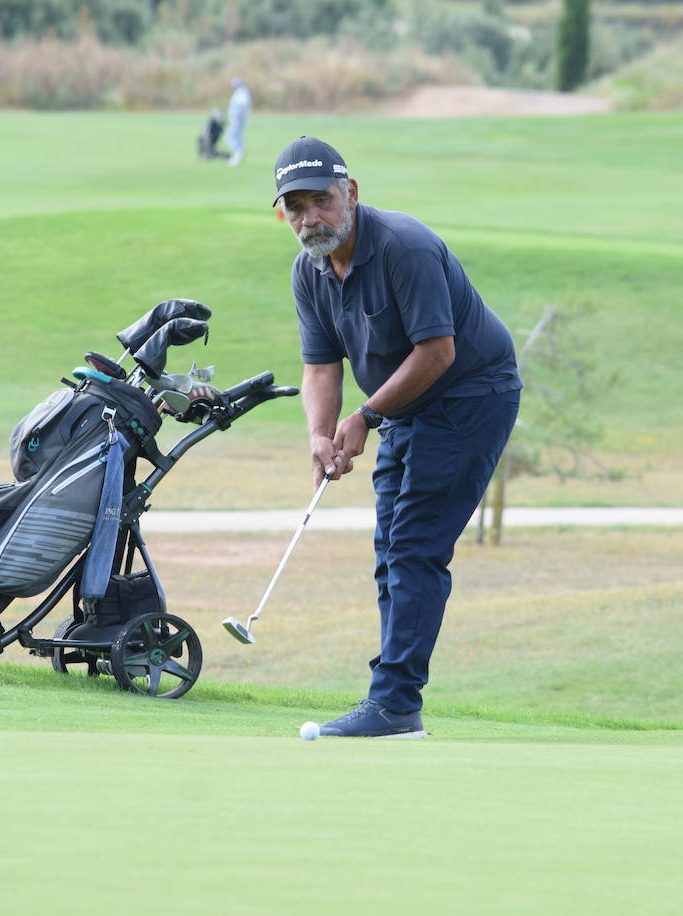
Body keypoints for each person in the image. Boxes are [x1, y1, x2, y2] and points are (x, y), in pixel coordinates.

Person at [272, 136, 521, 738]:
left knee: (414, 547)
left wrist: (364, 420)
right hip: (408, 406)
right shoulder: (310, 271)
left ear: (350, 193)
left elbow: (438, 353)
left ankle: (393, 705)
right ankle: (394, 704)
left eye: (321, 202)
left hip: (470, 395)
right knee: (390, 550)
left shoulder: (403, 249)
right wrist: (320, 434)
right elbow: (320, 366)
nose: (311, 219)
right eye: (296, 208)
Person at [225, 77, 251, 167]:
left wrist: (238, 114)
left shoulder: (242, 92)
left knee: (231, 137)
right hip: (236, 119)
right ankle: (238, 155)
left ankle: (238, 155)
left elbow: (243, 104)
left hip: (238, 119)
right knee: (233, 137)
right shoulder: (239, 92)